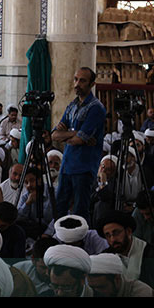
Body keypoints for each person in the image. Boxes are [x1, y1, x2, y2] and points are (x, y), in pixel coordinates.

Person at [51, 67, 106, 222]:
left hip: (84, 166)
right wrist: (75, 133)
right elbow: (54, 135)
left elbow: (79, 140)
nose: (77, 84)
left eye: (82, 81)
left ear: (92, 84)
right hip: (67, 164)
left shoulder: (96, 108)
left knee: (80, 211)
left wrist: (71, 135)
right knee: (59, 207)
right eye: (76, 79)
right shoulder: (72, 106)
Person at [87, 253, 154, 296]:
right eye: (92, 287)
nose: (97, 291)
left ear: (117, 279)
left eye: (101, 287)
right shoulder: (92, 292)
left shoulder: (140, 292)